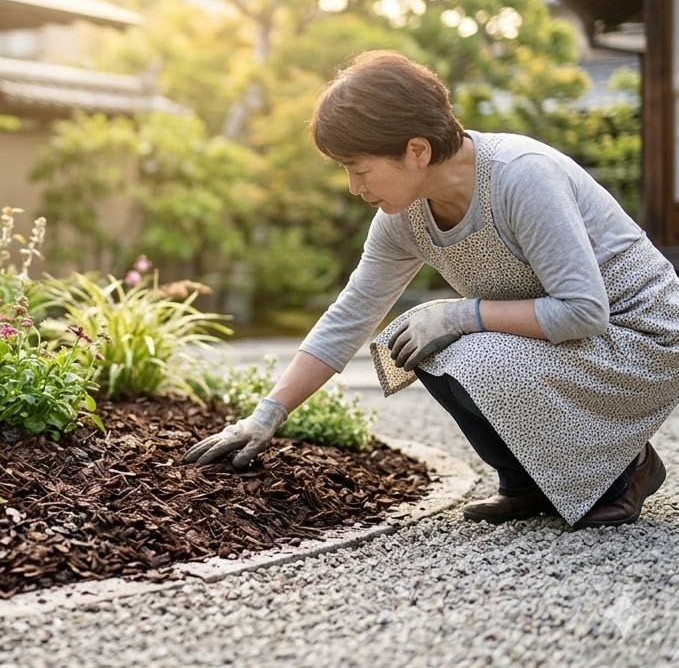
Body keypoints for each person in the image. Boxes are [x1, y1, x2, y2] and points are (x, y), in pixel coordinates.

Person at [183, 50, 679, 529]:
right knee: (414, 342)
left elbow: (583, 311)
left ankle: (628, 468)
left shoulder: (521, 176)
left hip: (644, 337)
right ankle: (527, 481)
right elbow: (351, 314)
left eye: (360, 168)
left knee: (469, 351)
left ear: (417, 150)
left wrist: (460, 315)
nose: (354, 187)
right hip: (581, 341)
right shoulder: (404, 216)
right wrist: (266, 415)